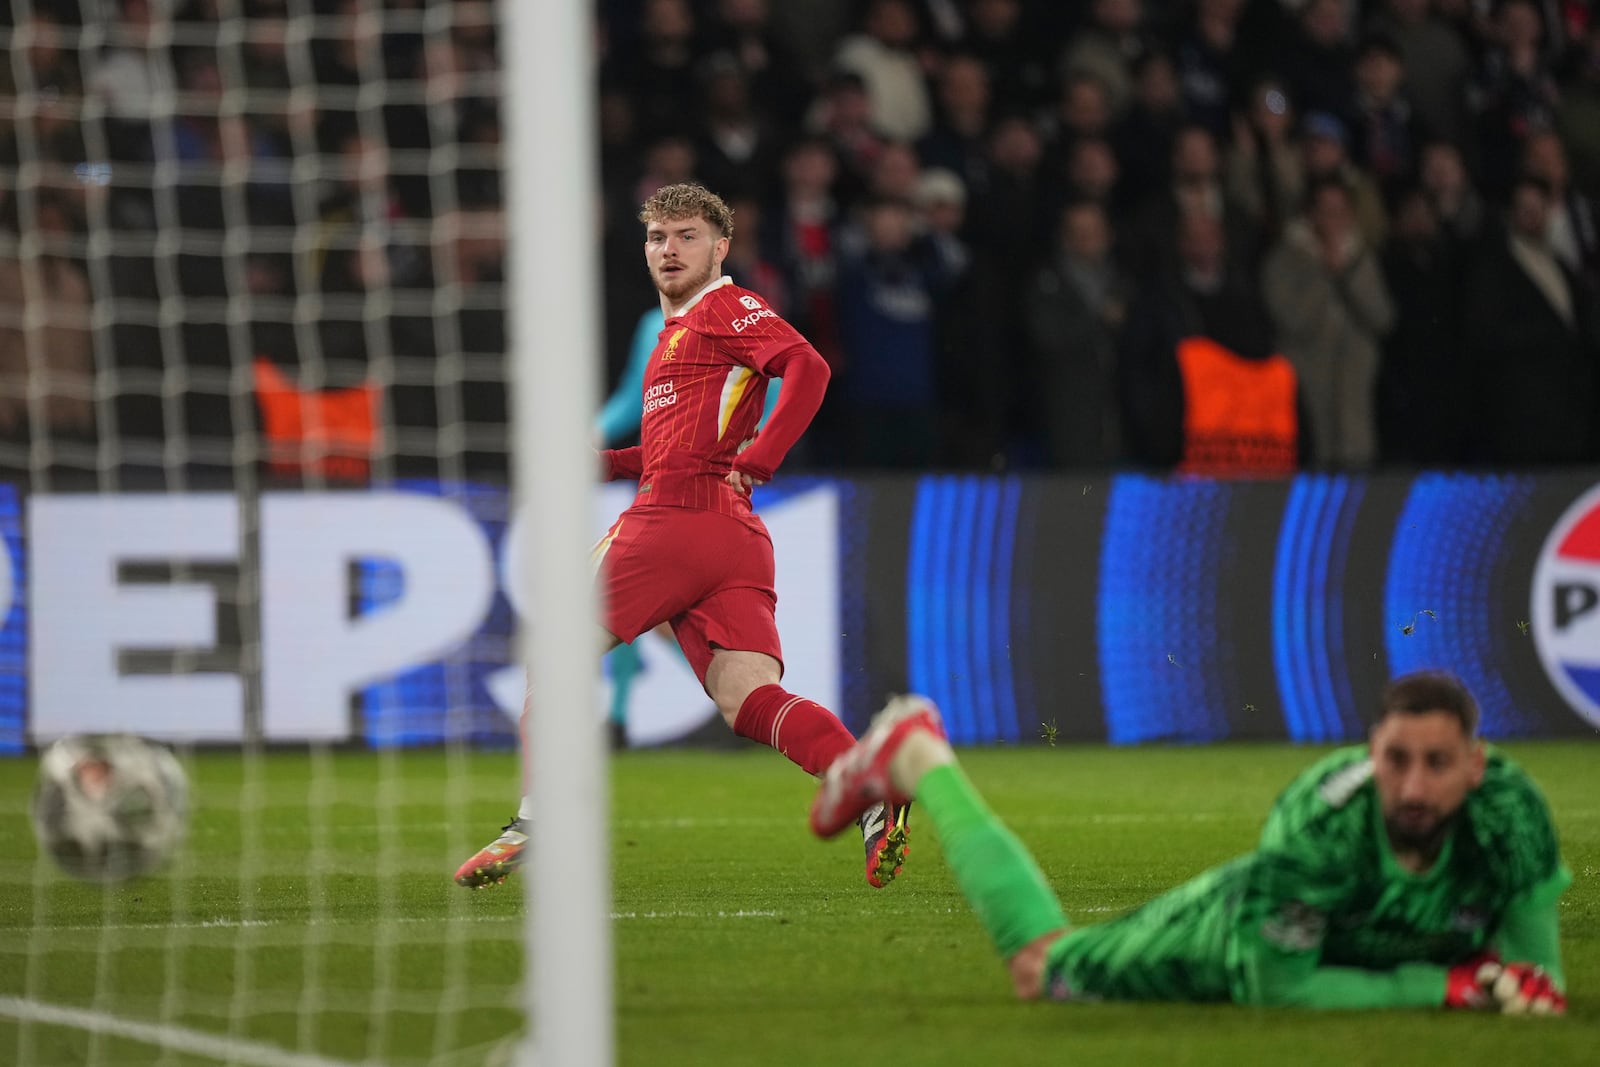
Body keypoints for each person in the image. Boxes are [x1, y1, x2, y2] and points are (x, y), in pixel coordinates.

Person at [457, 183, 909, 890]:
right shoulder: (674, 336)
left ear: (720, 246)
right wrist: (599, 463)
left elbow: (809, 368)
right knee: (749, 698)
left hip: (672, 522)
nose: (669, 250)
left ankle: (536, 820)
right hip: (729, 537)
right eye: (657, 238)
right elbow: (672, 451)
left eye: (686, 236)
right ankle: (871, 784)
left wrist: (762, 456)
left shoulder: (725, 306)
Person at [812, 670, 1570, 1011]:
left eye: (1436, 764)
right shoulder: (1319, 831)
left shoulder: (1512, 816)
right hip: (1234, 937)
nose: (1411, 787)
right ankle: (919, 754)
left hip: (1356, 942)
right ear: (1370, 752)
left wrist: (1516, 984)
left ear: (1475, 767)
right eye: (1395, 760)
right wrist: (1443, 988)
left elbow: (1538, 977)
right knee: (1042, 971)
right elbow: (1282, 988)